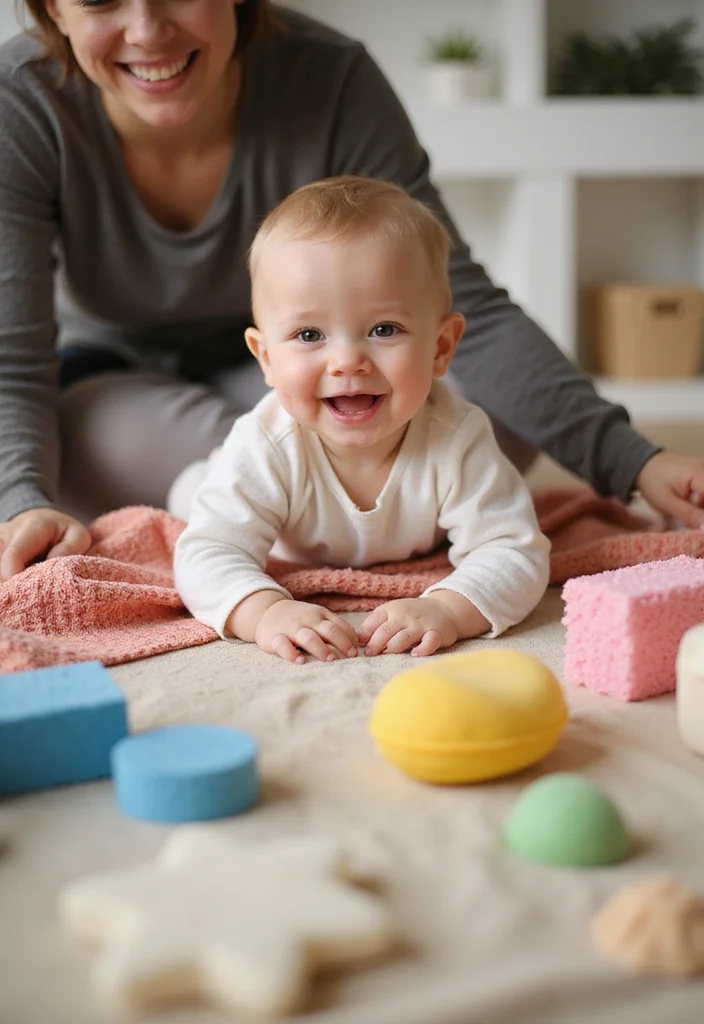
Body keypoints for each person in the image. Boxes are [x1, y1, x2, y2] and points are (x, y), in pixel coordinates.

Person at [0, 2, 703, 586]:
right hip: (125, 388)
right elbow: (11, 359)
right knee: (100, 438)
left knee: (493, 411)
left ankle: (285, 502)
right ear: (51, 8)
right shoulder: (21, 105)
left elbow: (463, 306)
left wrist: (630, 458)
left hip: (304, 370)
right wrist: (21, 503)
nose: (149, 30)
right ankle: (324, 502)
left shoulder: (331, 79)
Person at [173, 176, 551, 661]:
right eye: (309, 334)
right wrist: (264, 611)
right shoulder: (265, 445)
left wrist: (451, 609)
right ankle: (199, 477)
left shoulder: (458, 436)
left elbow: (515, 551)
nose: (347, 361)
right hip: (234, 487)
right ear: (265, 358)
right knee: (194, 501)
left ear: (440, 348)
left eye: (383, 329)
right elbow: (207, 553)